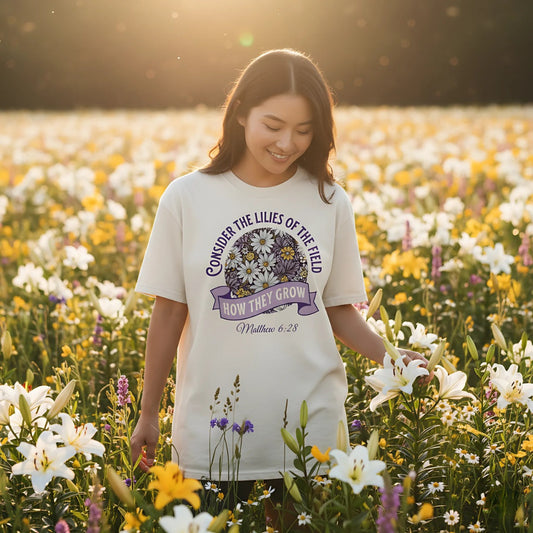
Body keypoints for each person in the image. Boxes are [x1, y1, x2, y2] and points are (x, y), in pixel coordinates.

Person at [130, 48, 429, 516]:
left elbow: (338, 311)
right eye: (273, 125)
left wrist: (394, 358)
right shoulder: (186, 198)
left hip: (312, 433)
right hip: (214, 434)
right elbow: (168, 312)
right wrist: (148, 415)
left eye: (304, 130)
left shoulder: (329, 200)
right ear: (241, 113)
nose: (287, 143)